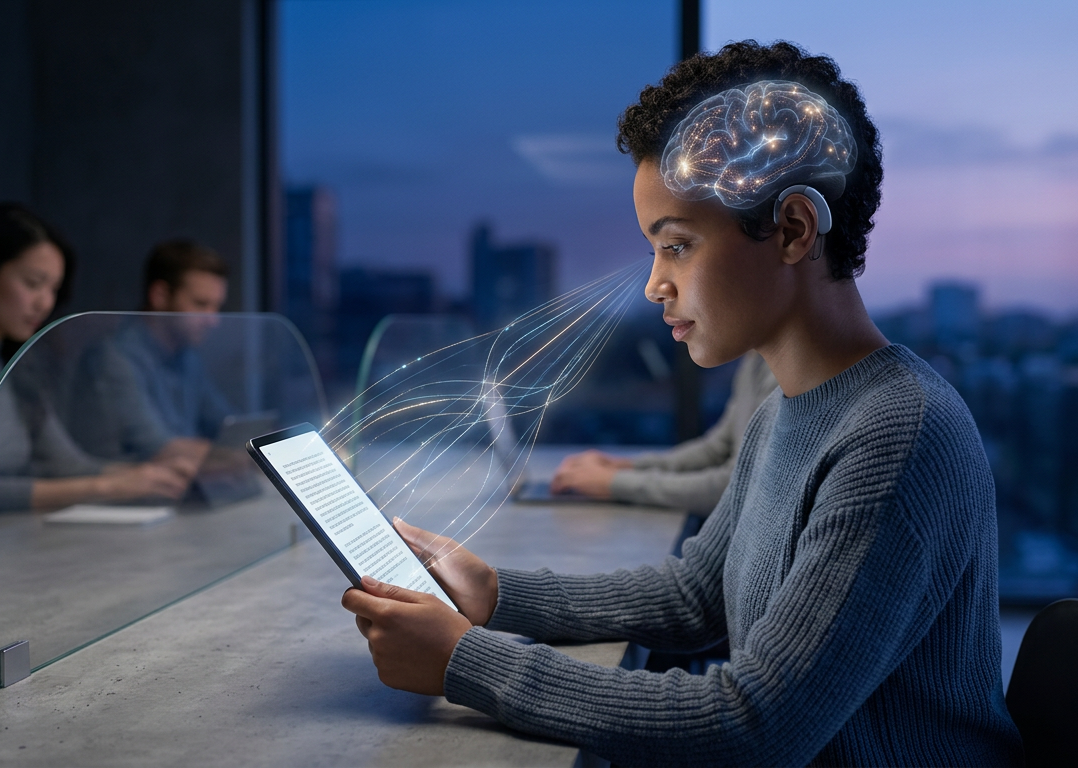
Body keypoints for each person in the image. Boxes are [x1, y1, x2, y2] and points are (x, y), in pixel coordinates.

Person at [340, 41, 1023, 766]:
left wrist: (466, 663)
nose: (654, 285)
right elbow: (698, 595)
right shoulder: (785, 410)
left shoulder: (899, 432)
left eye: (679, 246)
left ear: (793, 229)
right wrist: (495, 591)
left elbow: (755, 727)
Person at [0, 204, 193, 525]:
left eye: (53, 289)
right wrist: (108, 487)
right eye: (33, 283)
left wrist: (151, 474)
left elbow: (67, 464)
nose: (44, 303)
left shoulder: (15, 366)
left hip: (5, 543)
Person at [549, 350, 777, 514]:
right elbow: (715, 449)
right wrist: (627, 466)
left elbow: (735, 487)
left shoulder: (779, 374)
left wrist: (615, 483)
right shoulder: (754, 357)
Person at [67, 239, 233, 461]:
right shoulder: (114, 358)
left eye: (217, 307)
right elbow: (157, 447)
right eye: (201, 304)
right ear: (160, 296)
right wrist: (240, 455)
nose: (213, 321)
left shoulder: (186, 356)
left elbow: (223, 421)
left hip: (180, 486)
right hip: (126, 491)